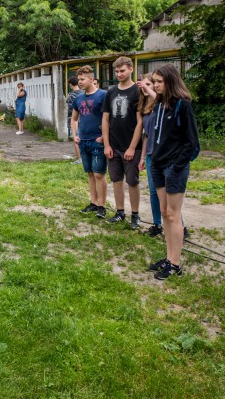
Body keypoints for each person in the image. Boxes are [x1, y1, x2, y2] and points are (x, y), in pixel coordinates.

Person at [145, 64, 198, 280]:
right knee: (165, 213)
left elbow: (192, 142)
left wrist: (177, 165)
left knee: (174, 216)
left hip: (173, 167)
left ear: (170, 81)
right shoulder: (158, 103)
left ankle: (175, 263)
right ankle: (169, 257)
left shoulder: (182, 105)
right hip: (157, 164)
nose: (155, 85)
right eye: (154, 81)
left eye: (159, 82)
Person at [102, 57, 144, 229]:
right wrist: (106, 144)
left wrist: (132, 147)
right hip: (113, 145)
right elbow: (105, 120)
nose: (119, 74)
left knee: (132, 181)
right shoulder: (110, 92)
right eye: (117, 71)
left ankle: (135, 215)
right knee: (116, 179)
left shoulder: (137, 91)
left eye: (122, 71)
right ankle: (120, 212)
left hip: (131, 146)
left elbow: (140, 122)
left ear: (131, 69)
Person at [71, 66, 108, 219]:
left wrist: (104, 137)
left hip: (97, 141)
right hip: (83, 140)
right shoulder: (78, 98)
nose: (79, 82)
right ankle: (93, 202)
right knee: (90, 174)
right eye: (78, 79)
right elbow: (74, 119)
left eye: (82, 79)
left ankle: (102, 205)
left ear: (91, 79)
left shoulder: (103, 95)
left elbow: (108, 119)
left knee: (99, 174)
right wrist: (75, 135)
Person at [65, 75, 82, 160]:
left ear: (71, 85)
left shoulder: (71, 95)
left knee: (75, 138)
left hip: (73, 118)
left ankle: (79, 158)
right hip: (83, 119)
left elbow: (69, 105)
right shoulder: (83, 92)